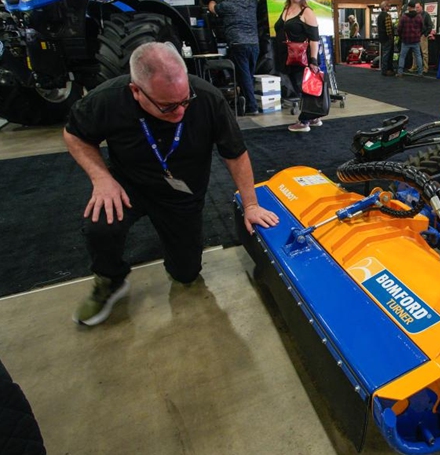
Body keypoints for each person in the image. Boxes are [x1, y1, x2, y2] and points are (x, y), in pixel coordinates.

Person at [64, 42, 279, 327]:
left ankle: (178, 257)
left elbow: (235, 154)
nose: (180, 112)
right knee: (100, 224)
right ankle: (109, 279)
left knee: (186, 274)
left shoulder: (207, 98)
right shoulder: (107, 99)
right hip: (129, 185)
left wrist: (251, 204)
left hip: (183, 193)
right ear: (136, 92)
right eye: (167, 106)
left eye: (184, 101)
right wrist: (101, 178)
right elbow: (75, 135)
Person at [274, 0, 323, 133]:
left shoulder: (307, 12)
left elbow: (314, 39)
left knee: (305, 89)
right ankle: (313, 117)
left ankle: (304, 121)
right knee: (299, 87)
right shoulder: (286, 9)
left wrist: (313, 60)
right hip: (288, 58)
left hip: (303, 59)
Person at [208, 0, 263, 116]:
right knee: (248, 76)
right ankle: (244, 101)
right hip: (254, 45)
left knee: (244, 76)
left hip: (238, 45)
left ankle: (252, 106)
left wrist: (212, 1)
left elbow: (212, 8)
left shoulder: (226, 5)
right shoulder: (250, 2)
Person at [396, 2, 423, 77]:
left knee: (402, 56)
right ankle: (420, 72)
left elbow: (399, 28)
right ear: (414, 7)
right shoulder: (419, 17)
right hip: (416, 40)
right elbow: (422, 27)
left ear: (408, 7)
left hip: (406, 40)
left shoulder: (404, 17)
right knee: (418, 56)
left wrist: (401, 36)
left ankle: (400, 72)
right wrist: (418, 35)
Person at [413, 3, 435, 73]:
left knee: (424, 53)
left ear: (421, 7)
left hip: (422, 35)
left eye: (418, 7)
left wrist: (425, 34)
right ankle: (414, 66)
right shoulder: (415, 15)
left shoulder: (426, 15)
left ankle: (425, 68)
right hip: (416, 35)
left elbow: (430, 25)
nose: (416, 9)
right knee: (414, 52)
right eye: (415, 8)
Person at [376, 1, 395, 76]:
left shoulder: (379, 16)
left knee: (384, 54)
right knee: (387, 55)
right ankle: (385, 70)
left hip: (381, 38)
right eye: (388, 6)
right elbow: (389, 29)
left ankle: (385, 70)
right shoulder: (387, 16)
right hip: (387, 38)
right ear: (384, 7)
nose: (389, 7)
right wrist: (391, 37)